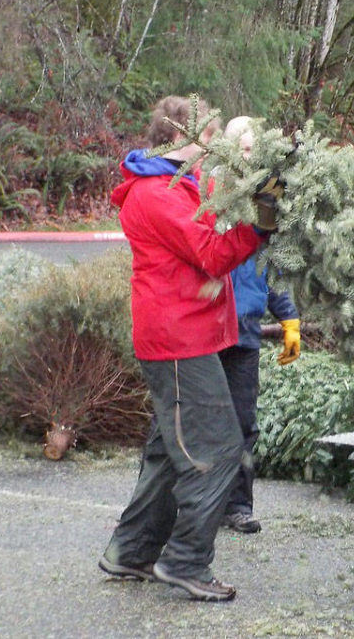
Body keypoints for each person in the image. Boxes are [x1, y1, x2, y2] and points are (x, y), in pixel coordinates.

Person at [99, 96, 278, 603]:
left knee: (165, 453)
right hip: (177, 343)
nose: (219, 146)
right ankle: (185, 562)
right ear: (185, 138)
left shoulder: (180, 186)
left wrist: (267, 187)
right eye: (213, 136)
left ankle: (130, 551)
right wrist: (263, 221)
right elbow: (213, 252)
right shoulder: (158, 195)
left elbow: (216, 225)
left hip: (188, 338)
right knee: (217, 449)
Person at [219, 116, 301, 535]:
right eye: (245, 150)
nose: (251, 158)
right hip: (205, 329)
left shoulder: (269, 198)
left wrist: (289, 319)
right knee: (198, 421)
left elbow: (274, 267)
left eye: (256, 150)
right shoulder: (211, 194)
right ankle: (193, 505)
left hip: (246, 331)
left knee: (243, 423)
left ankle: (237, 506)